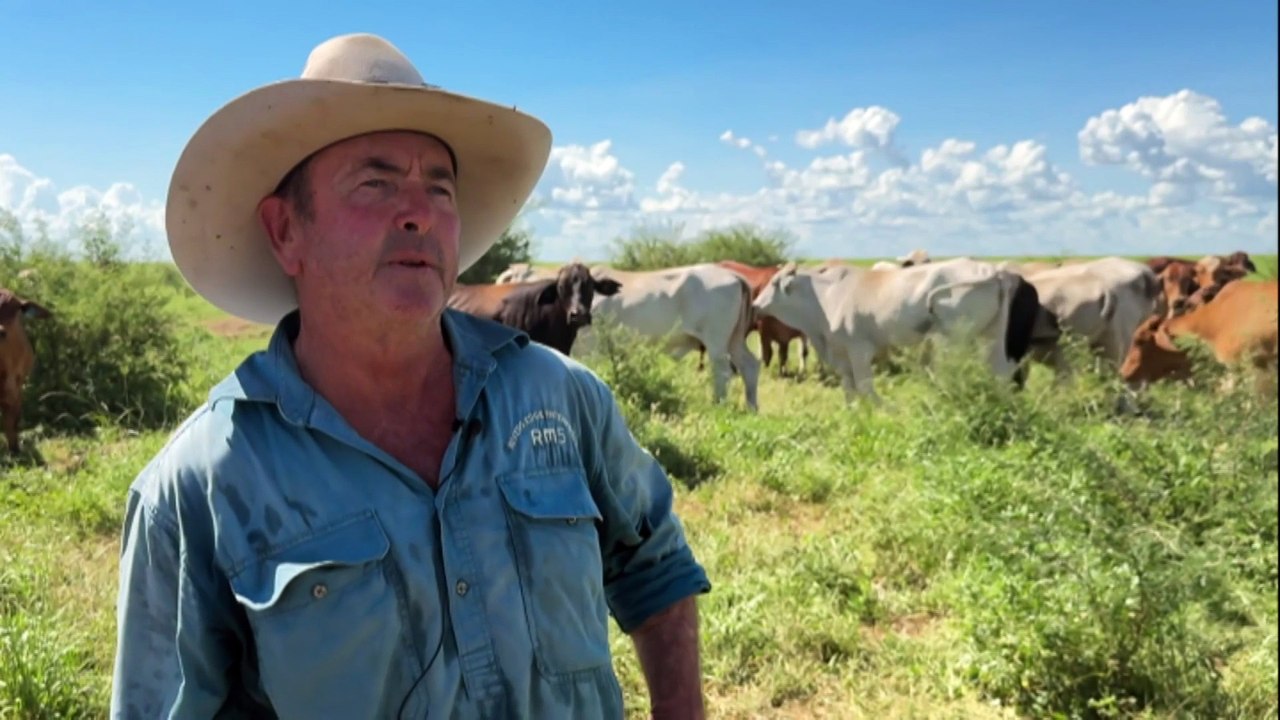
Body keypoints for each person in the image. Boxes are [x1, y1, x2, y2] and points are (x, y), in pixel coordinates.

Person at [110, 33, 711, 719]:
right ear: (285, 232)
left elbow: (655, 563)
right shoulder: (201, 489)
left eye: (440, 187)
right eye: (376, 183)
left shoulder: (560, 398)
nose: (419, 212)